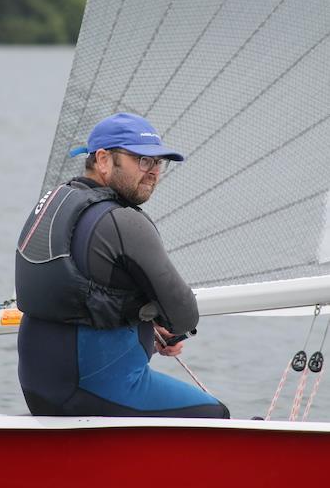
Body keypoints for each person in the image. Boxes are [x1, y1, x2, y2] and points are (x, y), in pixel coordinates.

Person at [16, 112, 229, 418]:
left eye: (158, 163)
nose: (154, 171)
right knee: (216, 414)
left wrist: (145, 321)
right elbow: (184, 315)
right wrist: (160, 319)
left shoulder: (53, 204)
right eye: (143, 160)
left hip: (40, 388)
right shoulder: (123, 222)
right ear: (103, 160)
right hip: (93, 390)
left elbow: (81, 299)